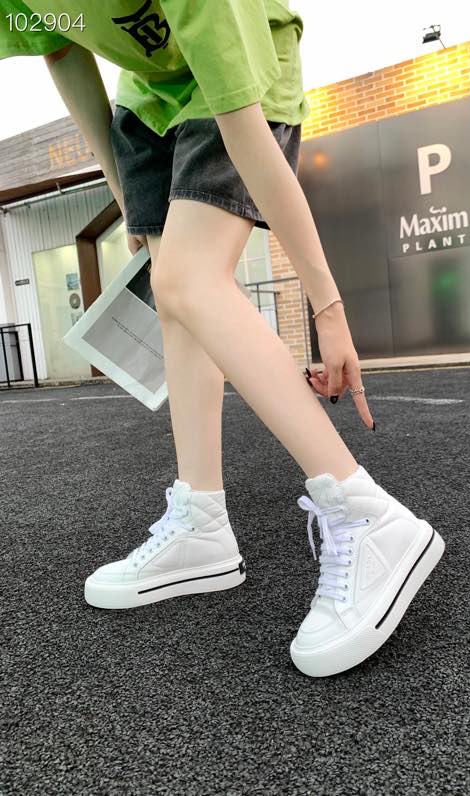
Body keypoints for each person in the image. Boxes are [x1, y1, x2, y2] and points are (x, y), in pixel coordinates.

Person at [0, 0, 444, 677]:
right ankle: (202, 522)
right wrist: (129, 198)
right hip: (146, 103)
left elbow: (246, 129)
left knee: (189, 276)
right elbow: (61, 49)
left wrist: (327, 309)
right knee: (174, 294)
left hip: (241, 70)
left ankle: (367, 514)